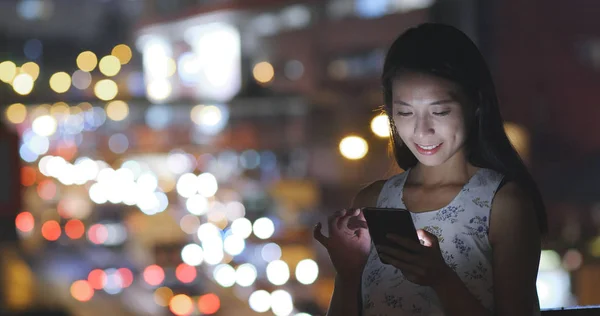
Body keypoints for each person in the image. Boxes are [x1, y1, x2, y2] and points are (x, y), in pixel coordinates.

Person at [314, 23, 547, 316]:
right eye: (405, 112)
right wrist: (347, 274)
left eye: (439, 111)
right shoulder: (372, 201)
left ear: (475, 103)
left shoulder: (502, 204)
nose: (422, 130)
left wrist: (441, 278)